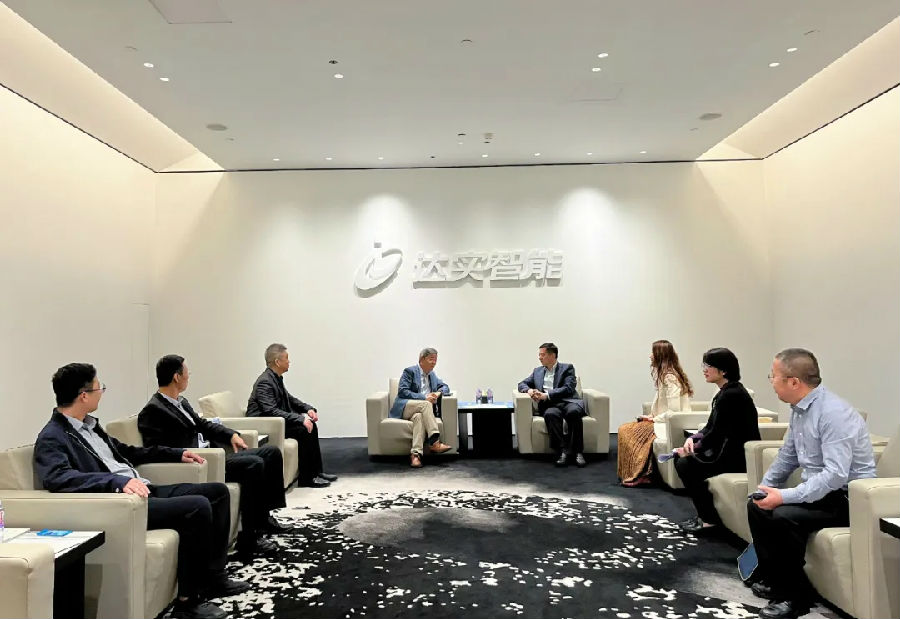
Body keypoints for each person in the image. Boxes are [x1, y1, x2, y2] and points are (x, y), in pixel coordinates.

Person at [34, 363, 248, 619]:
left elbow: (129, 452)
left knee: (218, 493)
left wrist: (177, 454)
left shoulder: (90, 427)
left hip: (143, 489)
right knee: (197, 507)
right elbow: (58, 477)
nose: (102, 392)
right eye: (99, 388)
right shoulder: (53, 436)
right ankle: (187, 602)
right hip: (123, 504)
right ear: (83, 396)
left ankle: (214, 577)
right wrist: (115, 482)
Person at [747, 349, 876, 619]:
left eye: (773, 376)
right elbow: (788, 456)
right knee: (756, 506)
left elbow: (835, 475)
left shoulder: (833, 413)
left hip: (849, 498)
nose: (771, 381)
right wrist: (763, 489)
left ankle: (796, 599)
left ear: (794, 382)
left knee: (784, 516)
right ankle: (775, 579)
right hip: (822, 493)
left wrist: (784, 496)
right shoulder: (800, 410)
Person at [138, 355, 289, 560]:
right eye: (187, 372)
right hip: (201, 461)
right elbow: (159, 449)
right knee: (253, 464)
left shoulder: (181, 402)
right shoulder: (153, 410)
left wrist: (231, 435)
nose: (189, 376)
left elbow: (203, 425)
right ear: (176, 377)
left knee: (271, 452)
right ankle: (249, 538)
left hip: (213, 452)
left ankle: (264, 519)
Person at [675, 348, 760, 533]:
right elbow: (709, 427)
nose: (704, 370)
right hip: (725, 451)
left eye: (709, 366)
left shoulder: (731, 395)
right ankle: (705, 515)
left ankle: (708, 519)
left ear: (723, 370)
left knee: (685, 464)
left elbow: (717, 434)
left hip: (735, 457)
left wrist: (694, 449)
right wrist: (693, 439)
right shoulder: (725, 392)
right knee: (682, 460)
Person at [246, 343, 337, 488]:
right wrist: (300, 419)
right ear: (277, 362)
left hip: (275, 422)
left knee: (310, 426)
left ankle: (316, 472)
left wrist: (308, 409)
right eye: (286, 358)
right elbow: (270, 411)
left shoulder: (275, 378)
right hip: (265, 426)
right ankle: (307, 478)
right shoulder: (265, 382)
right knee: (303, 430)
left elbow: (290, 399)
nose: (289, 361)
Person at [618, 340, 693, 486]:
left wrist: (654, 419)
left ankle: (642, 474)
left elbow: (674, 411)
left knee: (626, 431)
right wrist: (651, 417)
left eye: (653, 353)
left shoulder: (670, 377)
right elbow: (663, 405)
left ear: (660, 355)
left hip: (669, 424)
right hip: (662, 420)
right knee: (625, 429)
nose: (650, 356)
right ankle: (640, 472)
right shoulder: (665, 375)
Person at [517, 342, 587, 467]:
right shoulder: (537, 371)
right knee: (550, 415)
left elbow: (568, 388)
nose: (539, 357)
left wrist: (547, 395)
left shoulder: (567, 368)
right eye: (539, 355)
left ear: (552, 355)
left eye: (542, 355)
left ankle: (578, 452)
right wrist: (529, 390)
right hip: (550, 405)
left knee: (574, 412)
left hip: (568, 401)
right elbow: (521, 384)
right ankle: (562, 451)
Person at [388, 347, 453, 468]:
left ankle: (415, 455)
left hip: (421, 411)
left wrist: (438, 393)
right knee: (426, 404)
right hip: (406, 407)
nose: (434, 362)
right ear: (422, 359)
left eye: (435, 360)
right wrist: (424, 397)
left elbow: (445, 387)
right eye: (431, 359)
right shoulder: (409, 371)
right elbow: (403, 391)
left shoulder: (432, 375)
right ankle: (434, 442)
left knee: (419, 418)